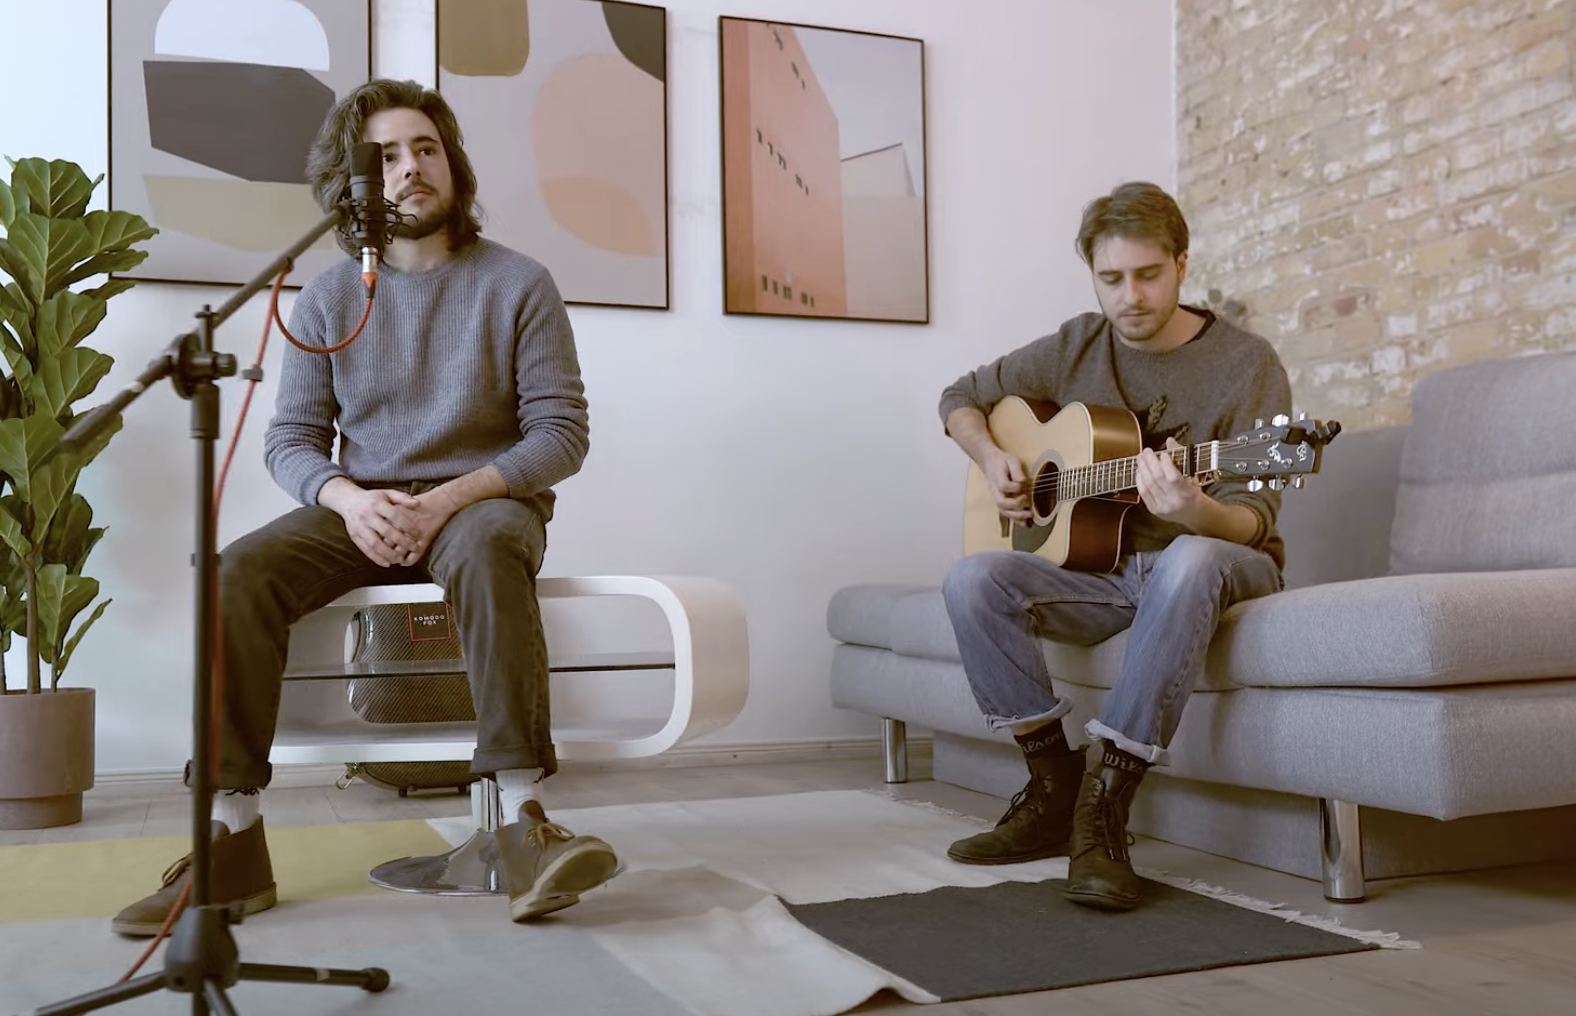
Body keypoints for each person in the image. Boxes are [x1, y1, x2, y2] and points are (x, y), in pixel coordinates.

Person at [112, 79, 615, 935]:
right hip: (365, 506)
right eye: (384, 157)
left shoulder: (519, 283)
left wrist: (446, 498)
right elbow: (292, 440)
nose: (410, 167)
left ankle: (521, 823)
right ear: (351, 184)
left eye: (425, 148)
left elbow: (560, 435)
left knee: (489, 545)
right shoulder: (327, 297)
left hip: (481, 503)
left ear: (452, 162)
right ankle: (230, 838)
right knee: (238, 573)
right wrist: (348, 499)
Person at [937, 181, 1291, 911]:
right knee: (973, 579)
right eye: (1111, 278)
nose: (1130, 297)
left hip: (1216, 561)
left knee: (1190, 557)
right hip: (1104, 573)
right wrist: (992, 459)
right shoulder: (1076, 344)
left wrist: (1195, 509)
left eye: (1149, 274)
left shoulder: (1247, 364)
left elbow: (1254, 520)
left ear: (1182, 264)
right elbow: (960, 398)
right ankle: (1052, 787)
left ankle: (1105, 806)